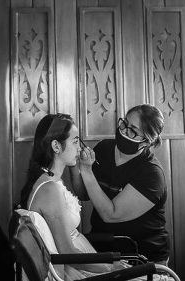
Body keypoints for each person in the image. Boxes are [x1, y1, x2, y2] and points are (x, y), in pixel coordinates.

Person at [19, 113, 118, 279]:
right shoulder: (49, 189)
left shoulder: (51, 179)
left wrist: (79, 166)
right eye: (75, 141)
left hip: (81, 262)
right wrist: (110, 267)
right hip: (72, 268)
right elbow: (67, 252)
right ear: (56, 146)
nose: (80, 148)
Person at [77, 104, 169, 265]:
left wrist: (86, 171)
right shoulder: (104, 148)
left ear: (147, 141)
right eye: (124, 123)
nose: (124, 131)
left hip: (142, 257)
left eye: (133, 130)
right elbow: (84, 194)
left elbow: (111, 214)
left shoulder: (151, 174)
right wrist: (73, 163)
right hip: (103, 250)